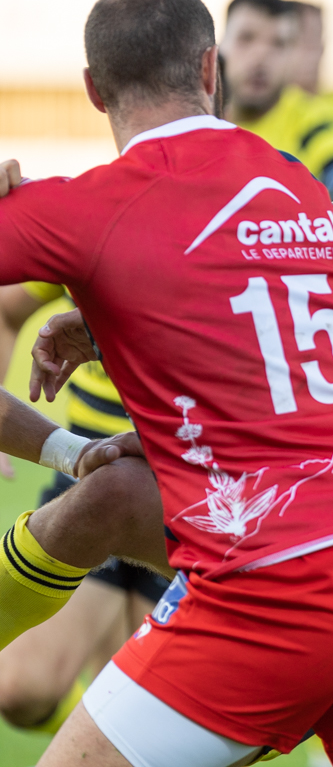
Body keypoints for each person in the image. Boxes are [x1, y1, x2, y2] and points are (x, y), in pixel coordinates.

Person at [0, 0, 333, 767]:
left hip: (277, 579)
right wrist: (109, 328)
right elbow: (249, 302)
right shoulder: (294, 180)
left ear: (93, 91)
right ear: (210, 69)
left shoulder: (85, 205)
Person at [0, 282, 169, 735]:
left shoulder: (237, 229)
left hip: (191, 487)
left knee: (140, 720)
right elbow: (7, 311)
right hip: (91, 470)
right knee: (18, 689)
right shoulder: (79, 219)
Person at [221, 0, 333, 200]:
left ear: (292, 56)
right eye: (246, 38)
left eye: (278, 44)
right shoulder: (190, 122)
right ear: (219, 46)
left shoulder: (323, 128)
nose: (261, 56)